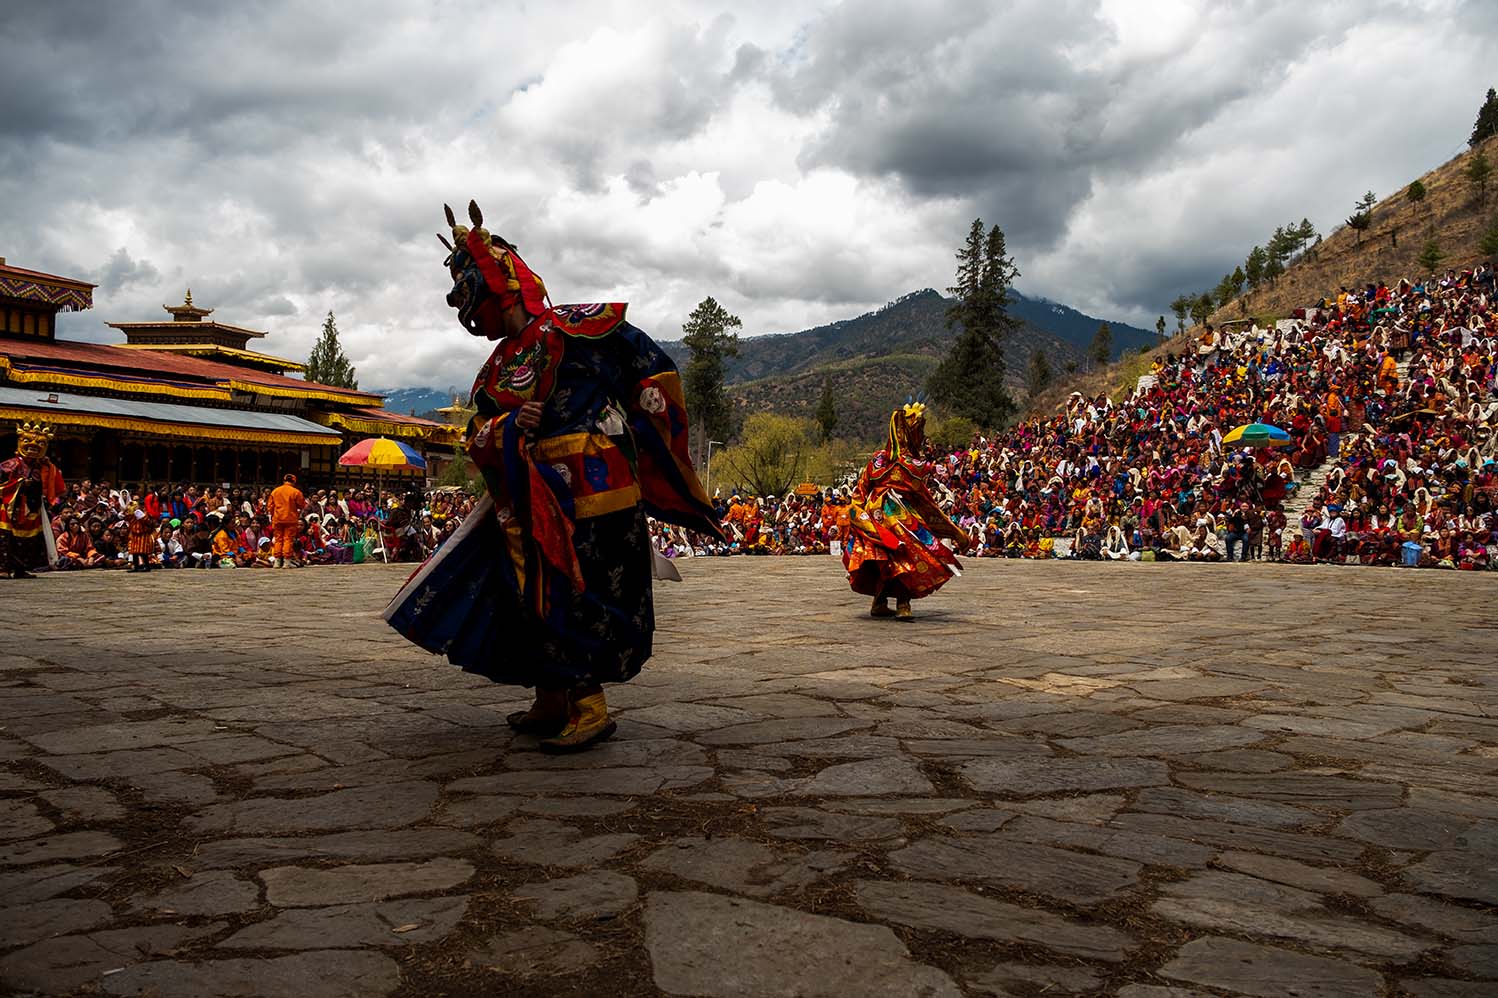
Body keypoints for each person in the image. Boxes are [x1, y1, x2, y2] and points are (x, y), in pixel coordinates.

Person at [386, 200, 723, 754]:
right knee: (526, 594)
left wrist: (639, 436)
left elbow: (652, 372)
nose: (476, 321)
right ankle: (549, 697)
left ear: (506, 289)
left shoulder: (581, 328)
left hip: (596, 491)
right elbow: (477, 431)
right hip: (526, 494)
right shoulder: (496, 367)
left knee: (580, 593)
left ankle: (588, 706)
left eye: (480, 303)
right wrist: (508, 425)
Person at [843, 402, 966, 620]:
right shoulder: (911, 464)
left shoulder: (878, 459)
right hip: (897, 517)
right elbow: (922, 493)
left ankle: (880, 602)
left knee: (885, 559)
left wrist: (860, 513)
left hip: (876, 515)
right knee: (904, 556)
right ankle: (901, 603)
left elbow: (860, 492)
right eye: (919, 431)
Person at [1, 422, 65, 579]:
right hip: (11, 507)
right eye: (28, 445)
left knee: (29, 541)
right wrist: (20, 482)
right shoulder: (10, 464)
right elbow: (2, 484)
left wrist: (48, 467)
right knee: (6, 540)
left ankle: (20, 569)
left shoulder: (42, 466)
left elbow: (54, 482)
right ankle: (3, 568)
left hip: (32, 507)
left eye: (38, 446)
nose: (32, 448)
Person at [268, 474, 306, 568]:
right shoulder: (296, 492)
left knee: (278, 539)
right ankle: (286, 562)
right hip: (291, 519)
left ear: (284, 480)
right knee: (288, 540)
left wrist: (274, 515)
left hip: (277, 519)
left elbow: (270, 506)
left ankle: (277, 561)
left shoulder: (275, 491)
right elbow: (301, 505)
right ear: (294, 481)